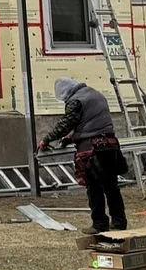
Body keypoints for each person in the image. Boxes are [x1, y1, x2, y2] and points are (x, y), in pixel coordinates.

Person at [38, 77, 129, 235]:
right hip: (110, 144)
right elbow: (92, 122)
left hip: (92, 149)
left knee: (94, 187)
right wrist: (72, 138)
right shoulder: (97, 95)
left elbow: (66, 123)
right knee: (111, 186)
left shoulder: (76, 101)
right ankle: (119, 221)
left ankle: (99, 223)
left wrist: (47, 139)